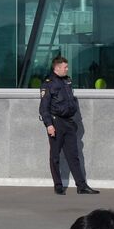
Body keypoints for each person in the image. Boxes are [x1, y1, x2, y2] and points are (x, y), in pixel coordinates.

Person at [39, 57, 99, 196]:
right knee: (55, 156)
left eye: (67, 67)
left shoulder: (67, 81)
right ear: (57, 68)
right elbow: (43, 108)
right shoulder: (48, 84)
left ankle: (82, 186)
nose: (67, 69)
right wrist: (49, 125)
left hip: (69, 122)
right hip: (56, 122)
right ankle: (58, 185)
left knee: (74, 155)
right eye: (65, 67)